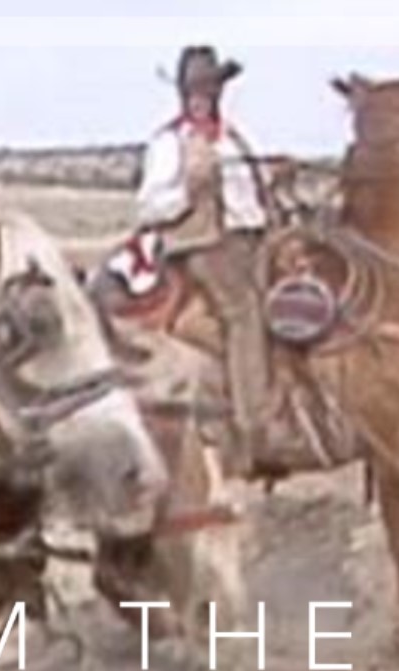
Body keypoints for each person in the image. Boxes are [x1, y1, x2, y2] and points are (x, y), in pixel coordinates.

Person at [135, 44, 272, 475]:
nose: (201, 97)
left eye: (208, 89)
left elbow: (251, 200)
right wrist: (188, 191)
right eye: (195, 89)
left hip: (245, 238)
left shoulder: (232, 139)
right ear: (183, 93)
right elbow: (148, 206)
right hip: (199, 244)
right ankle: (253, 426)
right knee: (244, 311)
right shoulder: (170, 143)